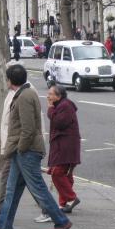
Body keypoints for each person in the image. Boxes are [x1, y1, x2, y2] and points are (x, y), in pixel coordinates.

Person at [0, 65, 72, 229]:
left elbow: (28, 128)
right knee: (12, 189)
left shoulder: (25, 96)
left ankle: (61, 221)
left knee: (38, 188)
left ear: (10, 80)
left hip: (27, 151)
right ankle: (4, 225)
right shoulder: (24, 93)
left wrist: (20, 149)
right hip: (21, 151)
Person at [46, 85, 81, 213]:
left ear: (58, 96)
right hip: (64, 146)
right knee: (66, 175)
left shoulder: (65, 106)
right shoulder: (61, 105)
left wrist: (50, 109)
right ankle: (64, 204)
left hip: (66, 147)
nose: (48, 96)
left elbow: (59, 123)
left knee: (57, 173)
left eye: (50, 94)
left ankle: (71, 198)